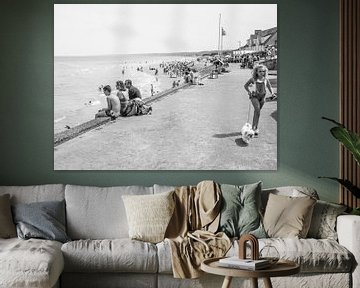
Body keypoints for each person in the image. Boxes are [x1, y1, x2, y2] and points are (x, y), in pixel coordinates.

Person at [244, 64, 275, 136]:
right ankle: (254, 128)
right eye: (260, 71)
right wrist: (249, 92)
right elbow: (245, 85)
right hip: (254, 97)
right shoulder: (253, 79)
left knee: (257, 112)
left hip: (262, 98)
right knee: (257, 109)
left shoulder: (265, 80)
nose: (262, 73)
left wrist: (272, 93)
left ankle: (255, 127)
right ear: (256, 72)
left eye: (263, 71)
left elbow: (270, 87)